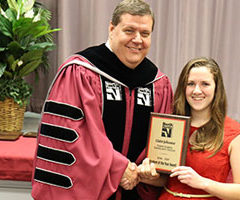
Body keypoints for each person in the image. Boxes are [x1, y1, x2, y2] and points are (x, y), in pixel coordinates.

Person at [31, 0, 173, 199]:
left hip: (138, 192)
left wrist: (146, 170)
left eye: (145, 33)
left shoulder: (158, 83)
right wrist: (120, 168)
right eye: (129, 30)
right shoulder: (80, 72)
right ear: (112, 29)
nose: (137, 40)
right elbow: (74, 139)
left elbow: (163, 143)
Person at [137, 57, 240, 200]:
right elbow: (168, 181)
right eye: (191, 84)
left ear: (217, 88)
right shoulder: (171, 125)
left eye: (205, 84)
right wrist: (145, 175)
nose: (197, 91)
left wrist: (203, 183)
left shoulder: (235, 135)